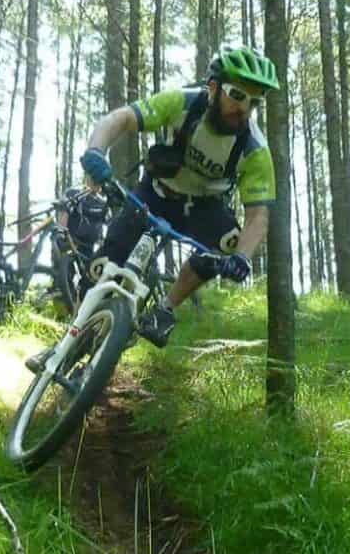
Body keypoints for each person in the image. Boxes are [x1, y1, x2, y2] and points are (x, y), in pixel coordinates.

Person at [80, 44, 279, 347]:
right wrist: (96, 151)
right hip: (156, 193)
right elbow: (118, 119)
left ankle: (165, 309)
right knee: (99, 268)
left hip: (204, 207)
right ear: (213, 88)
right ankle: (68, 337)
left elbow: (258, 217)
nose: (244, 108)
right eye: (237, 95)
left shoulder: (255, 149)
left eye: (253, 102)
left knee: (229, 245)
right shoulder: (181, 102)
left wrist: (242, 258)